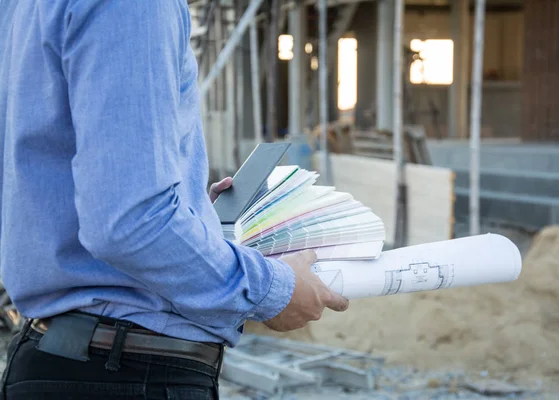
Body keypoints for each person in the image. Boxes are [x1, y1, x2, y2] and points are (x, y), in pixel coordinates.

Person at [0, 1, 349, 398]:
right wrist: (274, 290)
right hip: (127, 371)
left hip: (56, 358)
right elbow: (130, 222)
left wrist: (192, 214)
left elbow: (51, 184)